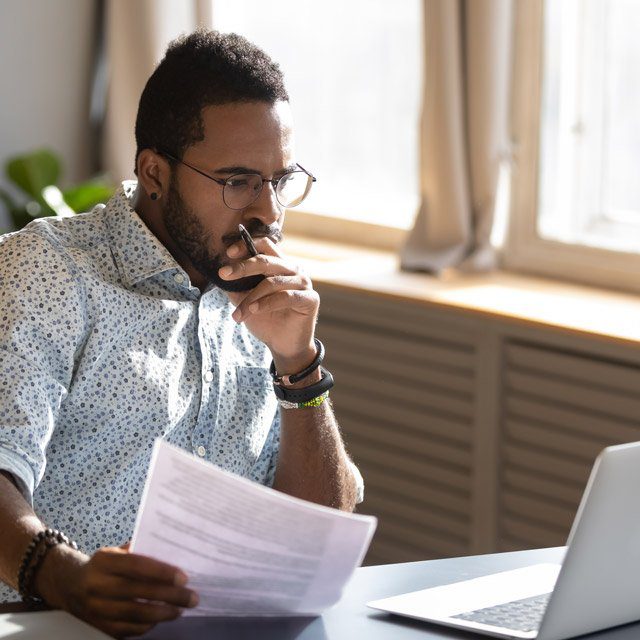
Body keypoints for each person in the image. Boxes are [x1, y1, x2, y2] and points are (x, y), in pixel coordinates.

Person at [0, 29, 363, 638]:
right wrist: (66, 577)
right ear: (155, 173)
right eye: (239, 180)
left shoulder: (260, 293)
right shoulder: (49, 271)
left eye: (280, 180)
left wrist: (299, 366)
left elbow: (318, 531)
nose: (268, 212)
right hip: (51, 624)